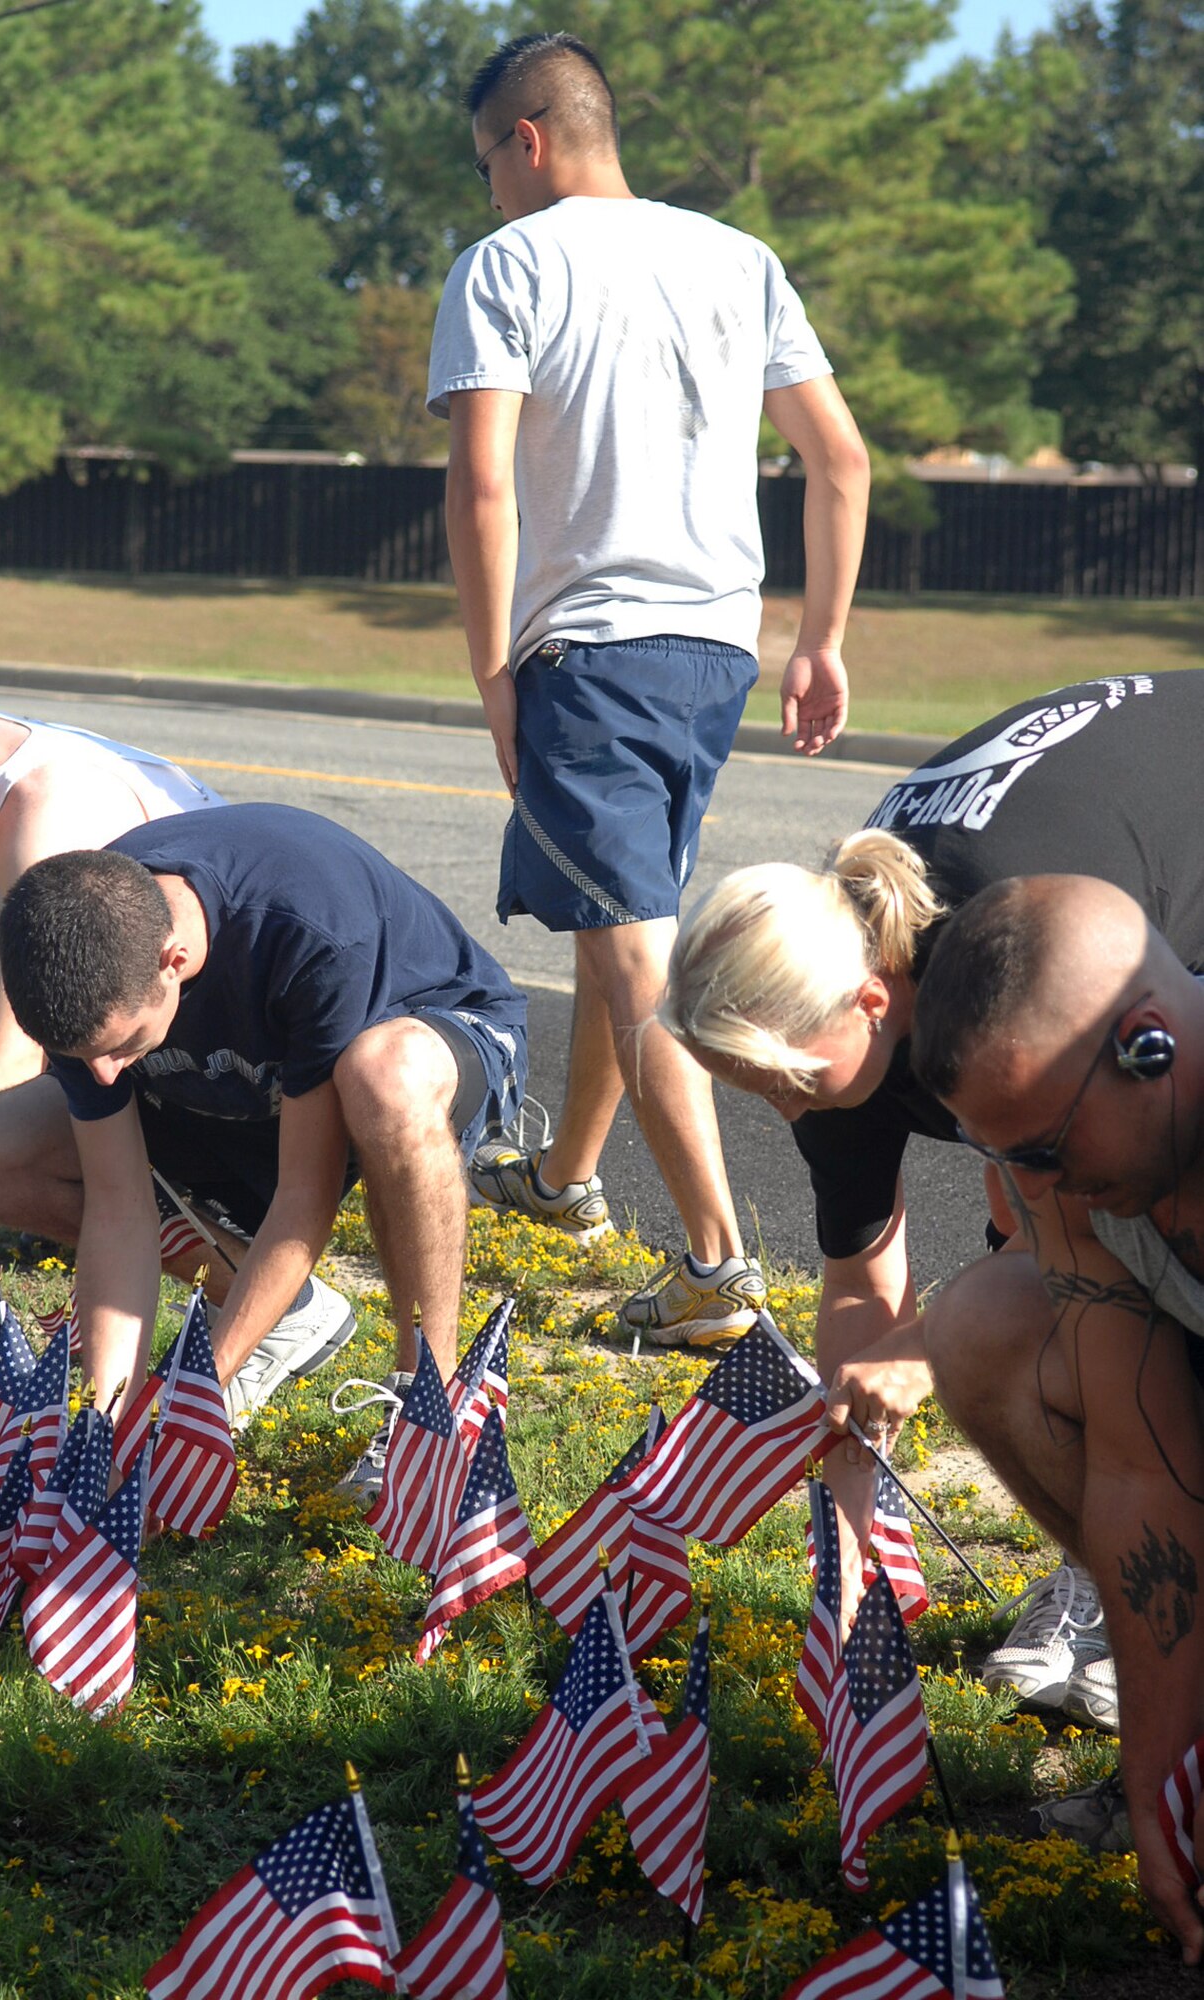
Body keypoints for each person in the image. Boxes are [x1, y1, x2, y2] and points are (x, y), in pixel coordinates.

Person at [426, 31, 870, 1347]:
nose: (491, 192)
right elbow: (839, 462)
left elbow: (483, 483)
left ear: (528, 139)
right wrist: (822, 637)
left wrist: (494, 668)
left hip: (590, 653)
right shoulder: (740, 259)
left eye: (487, 163)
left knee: (637, 961)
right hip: (714, 651)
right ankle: (567, 1185)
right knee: (616, 922)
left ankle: (719, 1274)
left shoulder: (507, 263)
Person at [658, 670, 1204, 1693]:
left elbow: (1089, 1216)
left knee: (1140, 1246)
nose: (787, 1110)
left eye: (787, 1082)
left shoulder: (1008, 954)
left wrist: (922, 1345)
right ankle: (1120, 1575)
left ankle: (1150, 1594)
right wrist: (852, 1530)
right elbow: (860, 1283)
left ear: (872, 1000)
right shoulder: (834, 1028)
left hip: (1172, 884)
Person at [0, 803, 527, 1497]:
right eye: (85, 1057)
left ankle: (429, 1401)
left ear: (176, 961)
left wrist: (189, 1392)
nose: (105, 1075)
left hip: (411, 1045)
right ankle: (285, 1313)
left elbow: (302, 1198)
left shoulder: (304, 927)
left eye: (120, 1048)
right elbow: (118, 1207)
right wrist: (117, 1422)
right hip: (246, 1089)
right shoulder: (78, 960)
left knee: (386, 1077)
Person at [910, 875, 1204, 1963]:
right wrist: (1158, 1776)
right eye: (1001, 1153)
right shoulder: (1069, 1180)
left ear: (1148, 1044)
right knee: (984, 1318)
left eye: (1039, 1147)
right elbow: (1142, 1472)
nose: (1032, 1185)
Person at [0, 711, 234, 1280]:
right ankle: (74, 1145)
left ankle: (251, 1278)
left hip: (223, 1032)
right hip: (118, 1004)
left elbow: (16, 1048)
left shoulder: (48, 808)